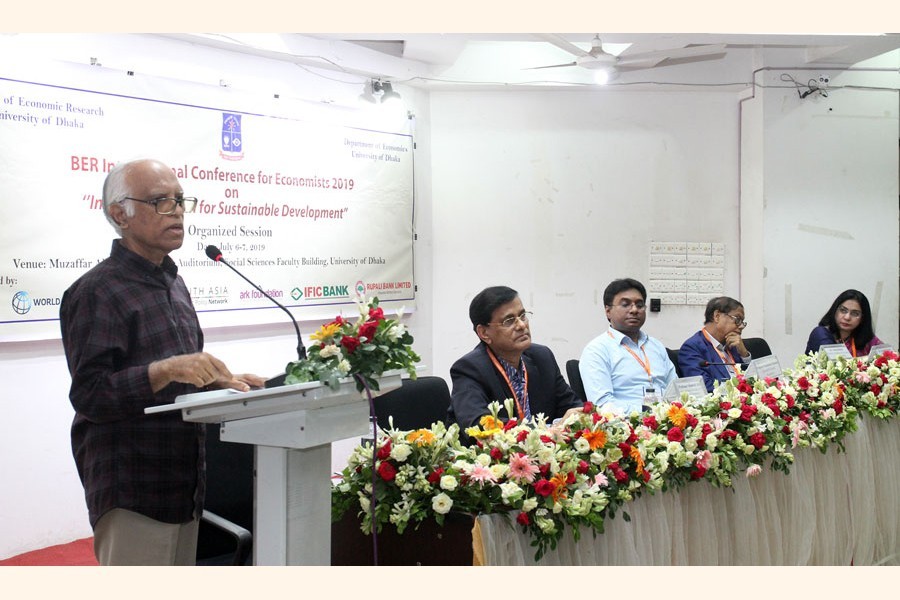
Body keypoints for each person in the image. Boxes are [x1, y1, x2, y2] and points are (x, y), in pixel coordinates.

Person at [60, 158, 265, 565]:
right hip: (134, 488)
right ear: (120, 214)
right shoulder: (96, 292)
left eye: (180, 200)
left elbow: (177, 380)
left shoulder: (173, 282)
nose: (177, 211)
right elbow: (90, 395)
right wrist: (165, 370)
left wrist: (218, 381)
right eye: (160, 201)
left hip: (184, 486)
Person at [448, 286, 583, 443]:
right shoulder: (469, 369)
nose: (521, 325)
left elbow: (572, 406)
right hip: (491, 463)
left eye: (523, 316)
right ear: (484, 333)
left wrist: (573, 417)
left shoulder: (542, 357)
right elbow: (478, 425)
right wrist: (542, 433)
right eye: (509, 321)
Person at [579, 278, 677, 415]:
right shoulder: (597, 350)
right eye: (625, 305)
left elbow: (675, 390)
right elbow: (603, 404)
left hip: (666, 422)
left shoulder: (656, 346)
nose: (634, 310)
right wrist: (650, 413)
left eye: (640, 305)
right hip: (626, 427)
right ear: (608, 311)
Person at [678, 296, 751, 392]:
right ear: (717, 316)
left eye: (742, 322)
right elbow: (706, 388)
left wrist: (744, 354)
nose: (741, 326)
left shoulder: (733, 344)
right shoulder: (692, 348)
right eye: (737, 319)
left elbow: (752, 379)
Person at [805, 289, 884, 357]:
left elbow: (888, 357)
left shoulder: (866, 339)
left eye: (855, 313)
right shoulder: (820, 333)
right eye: (843, 310)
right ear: (835, 310)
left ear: (863, 318)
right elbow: (837, 365)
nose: (847, 317)